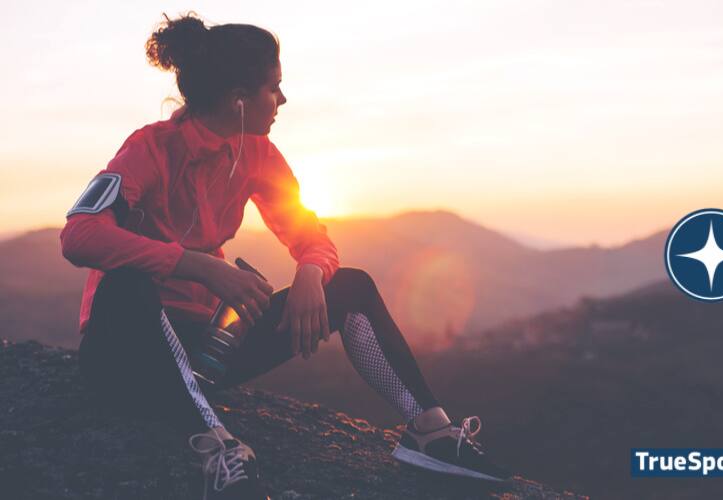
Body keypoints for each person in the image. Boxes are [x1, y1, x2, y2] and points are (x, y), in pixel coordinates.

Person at [60, 11, 510, 499]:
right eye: (274, 88)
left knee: (351, 286)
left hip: (207, 351)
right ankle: (218, 448)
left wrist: (312, 274)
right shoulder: (149, 149)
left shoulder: (256, 153)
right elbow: (79, 236)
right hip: (127, 352)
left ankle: (430, 432)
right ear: (238, 99)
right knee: (127, 283)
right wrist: (198, 266)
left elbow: (310, 234)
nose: (283, 99)